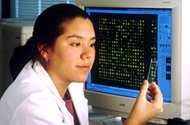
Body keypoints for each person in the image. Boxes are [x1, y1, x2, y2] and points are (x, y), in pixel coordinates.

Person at [0, 4, 163, 125]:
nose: (88, 54)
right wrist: (135, 121)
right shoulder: (33, 105)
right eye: (76, 44)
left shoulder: (71, 83)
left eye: (91, 44)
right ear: (45, 50)